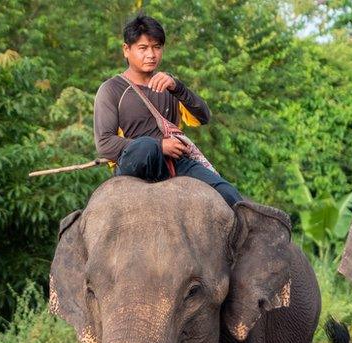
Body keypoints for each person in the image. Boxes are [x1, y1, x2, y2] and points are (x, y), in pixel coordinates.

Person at [93, 14, 242, 206]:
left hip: (175, 163)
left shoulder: (169, 85)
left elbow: (204, 116)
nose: (151, 54)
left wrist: (178, 87)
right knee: (145, 145)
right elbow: (105, 144)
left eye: (157, 47)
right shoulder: (111, 89)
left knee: (228, 194)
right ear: (126, 50)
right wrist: (159, 146)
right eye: (143, 48)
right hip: (136, 163)